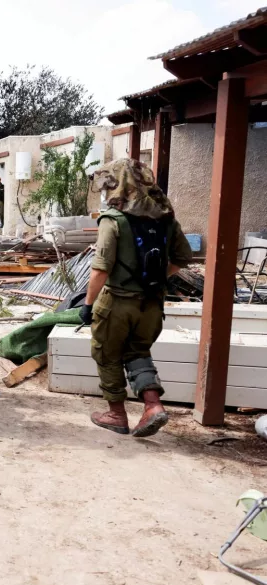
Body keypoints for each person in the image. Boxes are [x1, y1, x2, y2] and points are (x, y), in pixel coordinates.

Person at [79, 159, 192, 437]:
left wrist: (87, 304)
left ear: (117, 184)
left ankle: (116, 414)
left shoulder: (114, 219)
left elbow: (100, 268)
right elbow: (184, 257)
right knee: (138, 352)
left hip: (118, 302)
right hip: (152, 304)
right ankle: (153, 406)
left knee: (106, 354)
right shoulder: (165, 217)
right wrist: (156, 277)